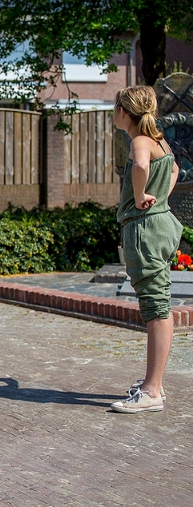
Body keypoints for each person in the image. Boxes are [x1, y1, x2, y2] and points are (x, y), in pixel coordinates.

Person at [111, 85, 181, 413]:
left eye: (115, 109)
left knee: (155, 309)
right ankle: (155, 385)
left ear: (125, 112)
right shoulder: (159, 141)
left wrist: (141, 198)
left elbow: (140, 166)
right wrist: (159, 197)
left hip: (146, 230)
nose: (114, 114)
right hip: (163, 224)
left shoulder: (140, 141)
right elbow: (176, 170)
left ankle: (151, 391)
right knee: (159, 305)